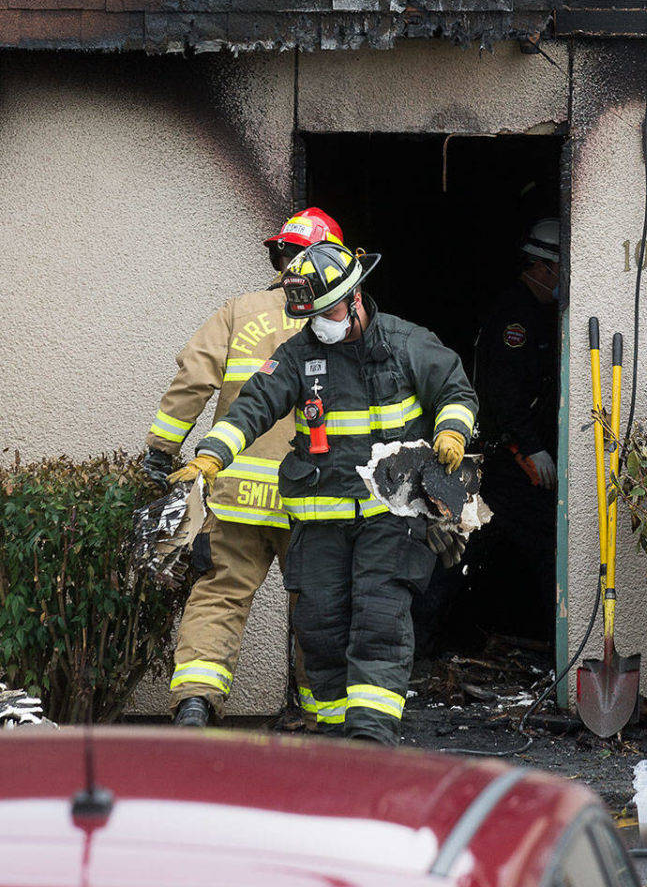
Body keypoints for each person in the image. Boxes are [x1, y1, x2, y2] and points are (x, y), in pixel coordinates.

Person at [170, 240, 478, 746]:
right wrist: (210, 457)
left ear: (355, 298)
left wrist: (452, 430)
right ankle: (337, 740)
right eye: (310, 316)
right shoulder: (298, 355)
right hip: (320, 516)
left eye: (326, 311)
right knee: (320, 626)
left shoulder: (406, 343)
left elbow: (455, 390)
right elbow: (253, 407)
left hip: (391, 511)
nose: (320, 324)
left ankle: (371, 737)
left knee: (379, 617)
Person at [142, 205, 344, 727]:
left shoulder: (239, 311)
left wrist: (160, 452)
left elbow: (192, 381)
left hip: (237, 494)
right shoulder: (340, 320)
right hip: (313, 497)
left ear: (282, 256)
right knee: (318, 605)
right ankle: (324, 718)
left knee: (220, 595)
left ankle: (195, 701)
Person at [471, 217, 560, 640]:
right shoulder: (517, 317)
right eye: (560, 273)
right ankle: (552, 642)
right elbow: (503, 392)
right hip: (509, 459)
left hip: (516, 456)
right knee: (541, 546)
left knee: (482, 546)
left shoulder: (535, 312)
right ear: (543, 268)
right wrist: (531, 446)